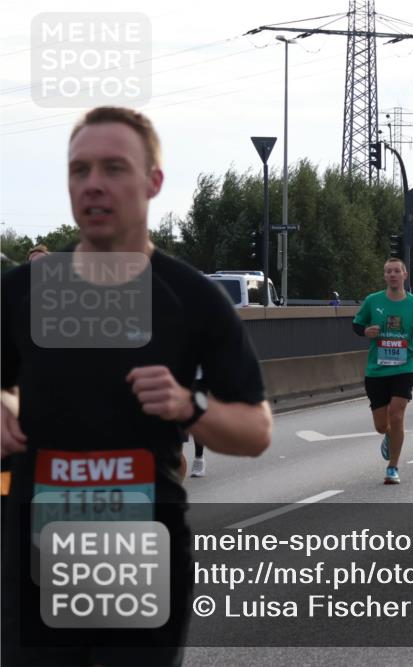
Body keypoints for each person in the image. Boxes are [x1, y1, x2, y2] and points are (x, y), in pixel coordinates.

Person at [1, 106, 272, 666]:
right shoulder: (21, 292)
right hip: (33, 553)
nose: (93, 184)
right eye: (79, 170)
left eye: (113, 168)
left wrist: (189, 405)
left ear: (153, 181)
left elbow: (256, 430)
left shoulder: (191, 298)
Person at [353, 257, 413, 483]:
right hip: (377, 369)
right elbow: (357, 324)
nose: (392, 274)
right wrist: (365, 331)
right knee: (381, 425)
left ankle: (393, 467)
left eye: (396, 271)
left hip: (404, 366)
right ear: (384, 276)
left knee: (397, 414)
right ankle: (389, 435)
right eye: (388, 271)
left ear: (404, 275)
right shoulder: (372, 301)